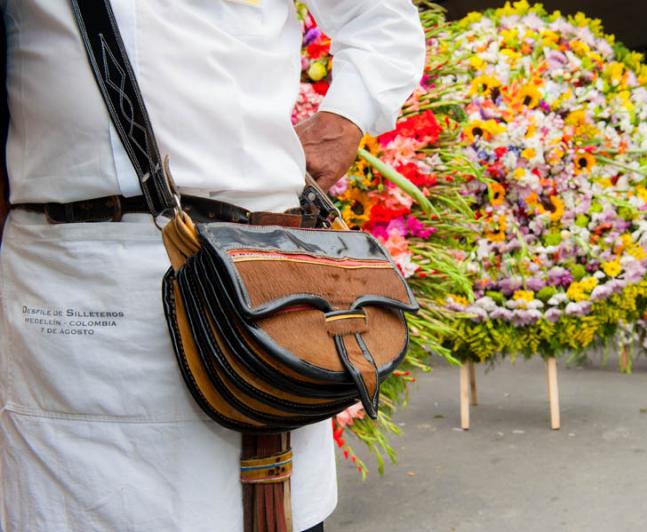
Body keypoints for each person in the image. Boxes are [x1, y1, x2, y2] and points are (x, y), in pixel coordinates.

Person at [0, 1, 425, 531]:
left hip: (254, 277)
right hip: (72, 273)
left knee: (252, 505)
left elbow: (378, 14)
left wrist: (346, 117)